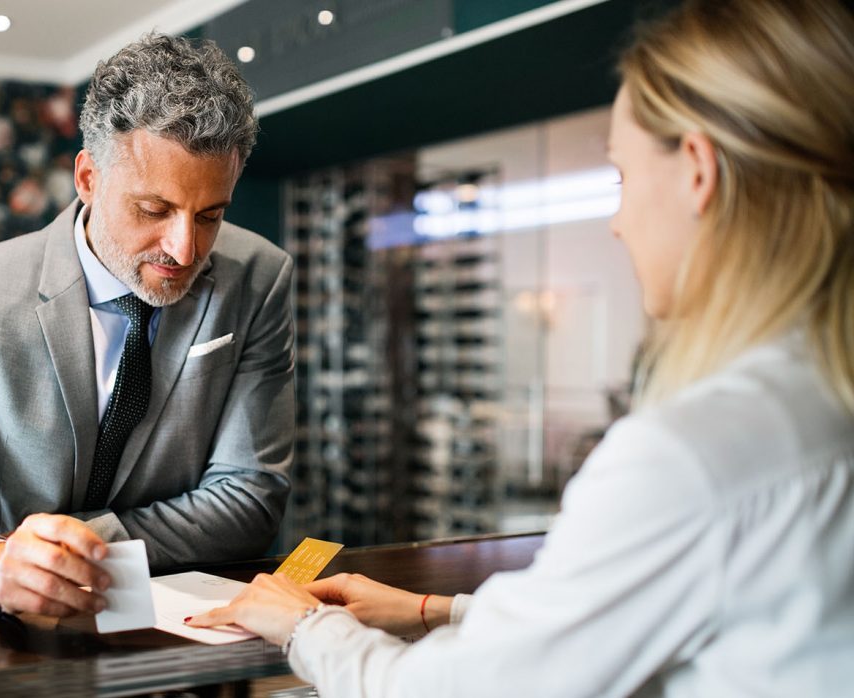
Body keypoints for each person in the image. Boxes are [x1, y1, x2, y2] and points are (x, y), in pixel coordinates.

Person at [187, 0, 854, 694]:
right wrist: (433, 611)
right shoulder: (819, 405)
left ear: (696, 170)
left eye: (621, 179)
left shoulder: (688, 457)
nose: (619, 223)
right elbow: (629, 616)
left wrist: (303, 626)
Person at [0, 34, 295, 617]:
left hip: (184, 623)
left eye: (211, 215)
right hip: (4, 626)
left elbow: (251, 499)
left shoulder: (260, 277)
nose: (185, 248)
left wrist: (79, 548)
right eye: (154, 210)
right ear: (88, 178)